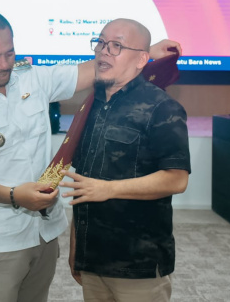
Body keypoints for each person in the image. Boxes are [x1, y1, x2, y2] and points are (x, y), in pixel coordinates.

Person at [0, 11, 181, 302]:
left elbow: (91, 70)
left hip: (43, 233)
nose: (4, 64)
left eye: (10, 53)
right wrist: (12, 195)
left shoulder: (30, 78)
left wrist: (146, 52)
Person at [59, 19, 190, 302]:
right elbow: (83, 184)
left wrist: (109, 189)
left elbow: (177, 179)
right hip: (93, 260)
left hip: (138, 264)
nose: (104, 51)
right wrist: (76, 249)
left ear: (142, 59)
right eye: (101, 43)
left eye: (116, 45)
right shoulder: (91, 107)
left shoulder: (162, 107)